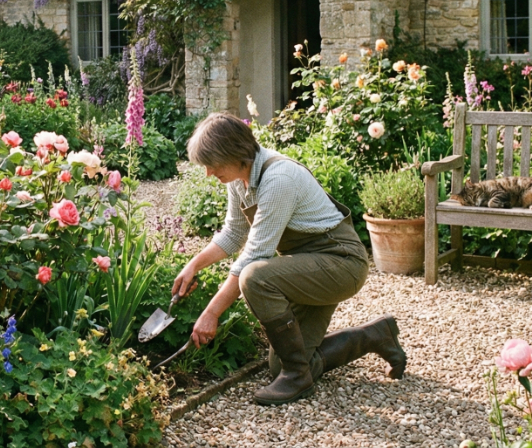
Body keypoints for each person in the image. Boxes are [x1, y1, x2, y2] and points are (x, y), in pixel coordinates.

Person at [172, 112, 406, 405]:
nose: (208, 173)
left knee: (254, 276)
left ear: (235, 153)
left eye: (213, 164)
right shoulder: (238, 180)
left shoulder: (278, 179)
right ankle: (376, 336)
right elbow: (233, 233)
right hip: (305, 266)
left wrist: (211, 313)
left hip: (340, 263)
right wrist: (193, 265)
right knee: (277, 367)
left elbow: (254, 255)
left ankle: (298, 377)